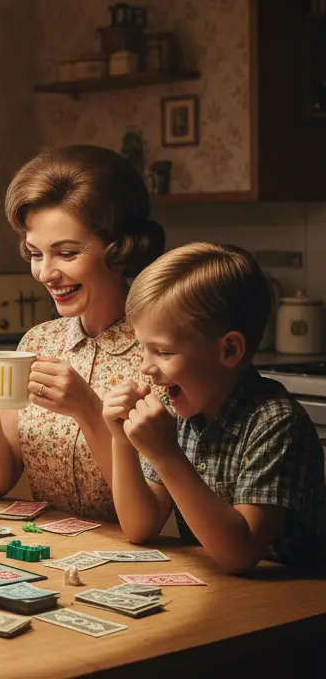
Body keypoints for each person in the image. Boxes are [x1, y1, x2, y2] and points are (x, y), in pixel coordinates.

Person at [0, 145, 165, 521]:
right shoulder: (38, 343)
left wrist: (89, 410)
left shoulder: (161, 355)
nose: (44, 274)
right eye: (36, 254)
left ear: (120, 247)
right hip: (53, 557)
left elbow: (150, 515)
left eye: (67, 253)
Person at [102, 243, 325, 571]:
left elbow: (241, 554)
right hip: (220, 588)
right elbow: (140, 527)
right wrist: (122, 440)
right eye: (143, 349)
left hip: (293, 607)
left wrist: (167, 456)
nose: (146, 368)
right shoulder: (177, 409)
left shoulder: (275, 422)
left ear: (230, 350)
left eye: (163, 352)